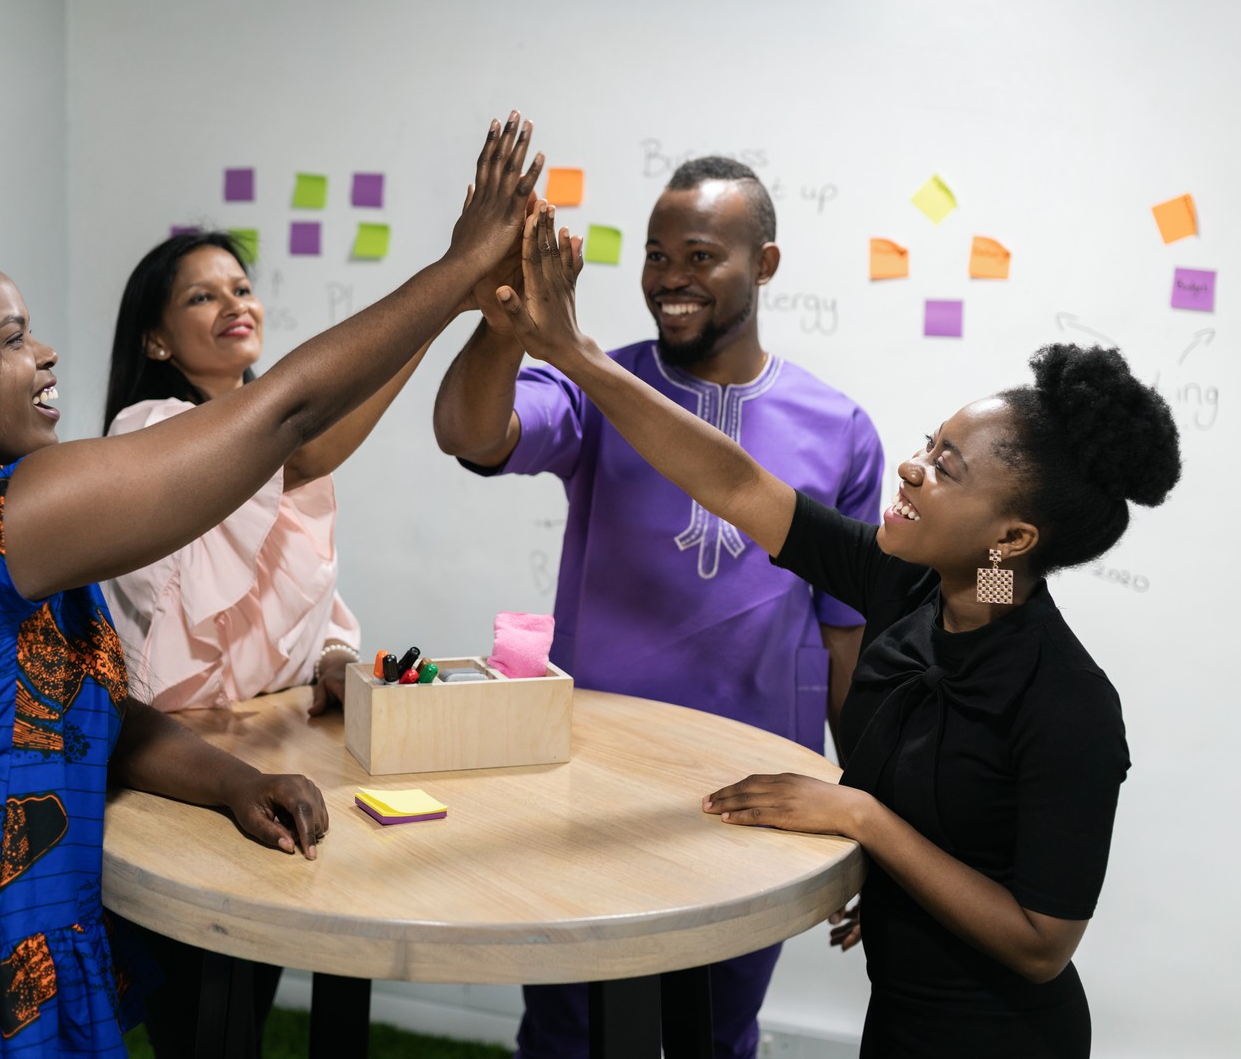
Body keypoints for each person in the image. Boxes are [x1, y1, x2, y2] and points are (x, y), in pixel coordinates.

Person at [0, 112, 545, 1058]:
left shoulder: (8, 543)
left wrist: (230, 781)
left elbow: (94, 713)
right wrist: (458, 271)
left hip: (16, 962)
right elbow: (285, 415)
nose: (45, 355)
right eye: (13, 339)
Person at [482, 205, 1182, 1058]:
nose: (911, 466)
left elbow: (1042, 942)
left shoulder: (1069, 703)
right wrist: (575, 356)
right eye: (929, 443)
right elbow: (735, 484)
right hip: (896, 1021)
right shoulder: (926, 594)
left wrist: (864, 821)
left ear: (1012, 538)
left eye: (945, 467)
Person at [432, 157, 884, 1058]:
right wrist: (504, 316)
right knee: (569, 1019)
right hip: (591, 778)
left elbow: (848, 640)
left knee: (716, 1026)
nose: (671, 276)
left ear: (766, 263)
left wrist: (869, 808)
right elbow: (470, 433)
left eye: (701, 254)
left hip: (757, 783)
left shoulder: (839, 427)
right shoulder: (597, 386)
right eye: (654, 254)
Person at [99, 229, 424, 717]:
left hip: (278, 728)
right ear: (156, 341)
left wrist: (335, 661)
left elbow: (311, 612)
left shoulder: (279, 440)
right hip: (181, 745)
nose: (234, 306)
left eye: (242, 289)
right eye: (202, 297)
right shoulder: (146, 427)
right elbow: (295, 458)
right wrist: (433, 310)